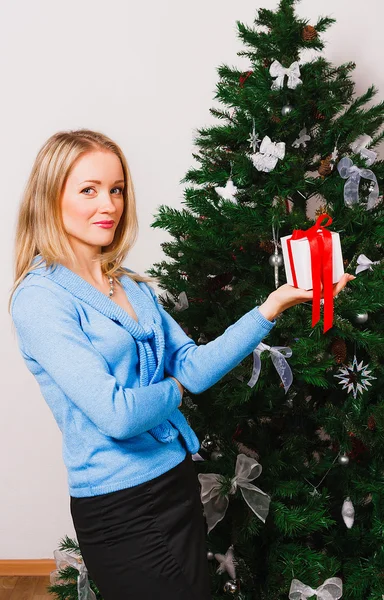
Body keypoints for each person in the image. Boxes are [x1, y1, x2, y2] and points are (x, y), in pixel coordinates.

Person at [9, 129, 354, 600]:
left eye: (116, 189)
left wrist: (270, 308)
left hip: (174, 481)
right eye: (88, 190)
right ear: (51, 198)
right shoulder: (40, 299)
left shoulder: (129, 287)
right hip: (119, 505)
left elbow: (193, 364)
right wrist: (177, 389)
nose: (108, 205)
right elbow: (118, 414)